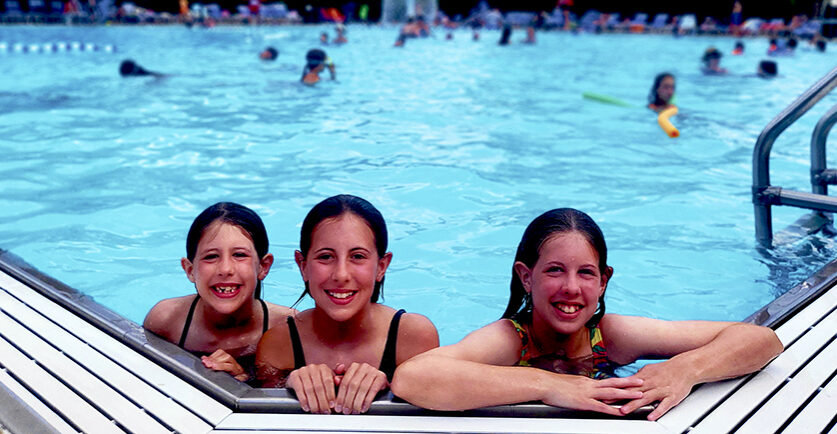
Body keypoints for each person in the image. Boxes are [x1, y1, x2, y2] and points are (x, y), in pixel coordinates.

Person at [392, 208, 782, 420]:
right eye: (554, 270)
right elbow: (413, 377)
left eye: (586, 273)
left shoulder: (611, 336)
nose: (572, 289)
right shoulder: (512, 339)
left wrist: (686, 370)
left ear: (603, 282)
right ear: (526, 277)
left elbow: (761, 339)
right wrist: (549, 385)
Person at [256, 195, 438, 414]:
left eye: (358, 256)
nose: (341, 275)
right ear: (302, 266)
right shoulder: (279, 343)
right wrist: (286, 385)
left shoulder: (411, 336)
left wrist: (392, 388)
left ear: (382, 266)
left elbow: (433, 414)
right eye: (325, 257)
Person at [143, 202, 294, 383]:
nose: (225, 269)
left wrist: (243, 382)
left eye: (239, 255)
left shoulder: (286, 328)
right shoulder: (167, 321)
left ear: (263, 266)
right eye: (211, 256)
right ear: (190, 270)